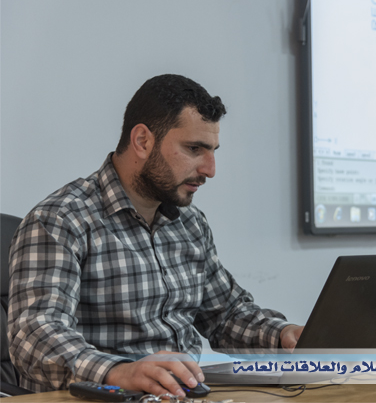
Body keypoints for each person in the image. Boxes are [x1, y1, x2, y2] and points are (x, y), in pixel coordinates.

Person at [7, 74, 303, 397]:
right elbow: (34, 336)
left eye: (213, 151)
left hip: (182, 394)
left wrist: (284, 335)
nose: (210, 169)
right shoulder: (60, 220)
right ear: (142, 141)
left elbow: (226, 315)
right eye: (194, 148)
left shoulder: (190, 223)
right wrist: (118, 372)